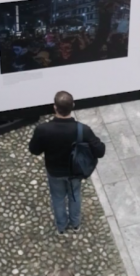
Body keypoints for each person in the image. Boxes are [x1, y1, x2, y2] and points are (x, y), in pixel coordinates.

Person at [28, 91, 106, 234]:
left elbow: (34, 150)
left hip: (54, 171)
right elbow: (100, 151)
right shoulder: (83, 130)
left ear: (55, 107)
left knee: (58, 198)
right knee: (75, 196)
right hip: (75, 172)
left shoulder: (43, 130)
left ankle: (61, 227)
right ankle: (75, 224)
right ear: (73, 106)